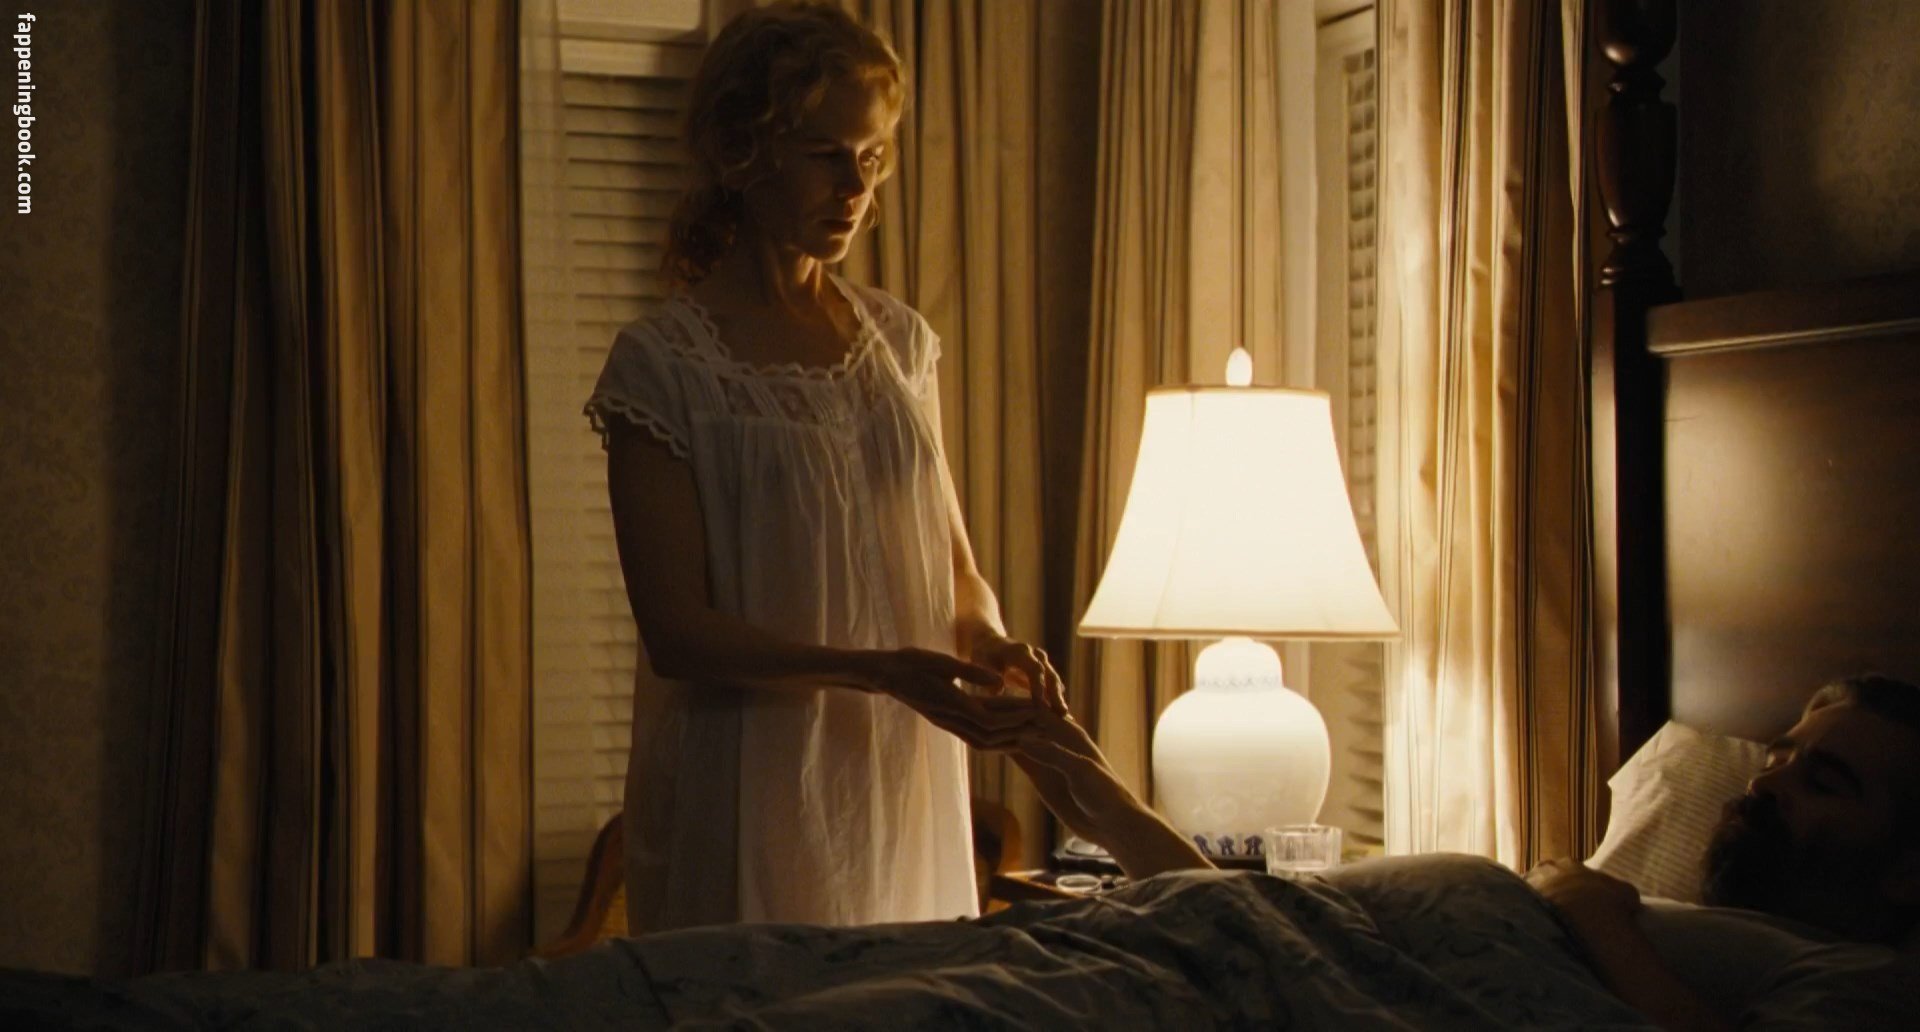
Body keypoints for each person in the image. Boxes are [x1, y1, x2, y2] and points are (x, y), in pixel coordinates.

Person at [586, 1, 1059, 933]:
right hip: (747, 784)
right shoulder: (665, 365)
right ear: (741, 152)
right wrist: (874, 670)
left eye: (872, 156)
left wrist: (993, 644)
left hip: (897, 779)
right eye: (824, 154)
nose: (855, 188)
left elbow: (956, 573)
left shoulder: (899, 344)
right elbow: (679, 634)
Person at [1004, 675, 1920, 1029]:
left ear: (1906, 870)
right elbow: (1273, 931)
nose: (1766, 785)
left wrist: (1599, 922)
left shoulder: (1864, 981)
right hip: (1233, 959)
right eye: (1779, 758)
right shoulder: (1667, 919)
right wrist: (1081, 779)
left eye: (1824, 782)